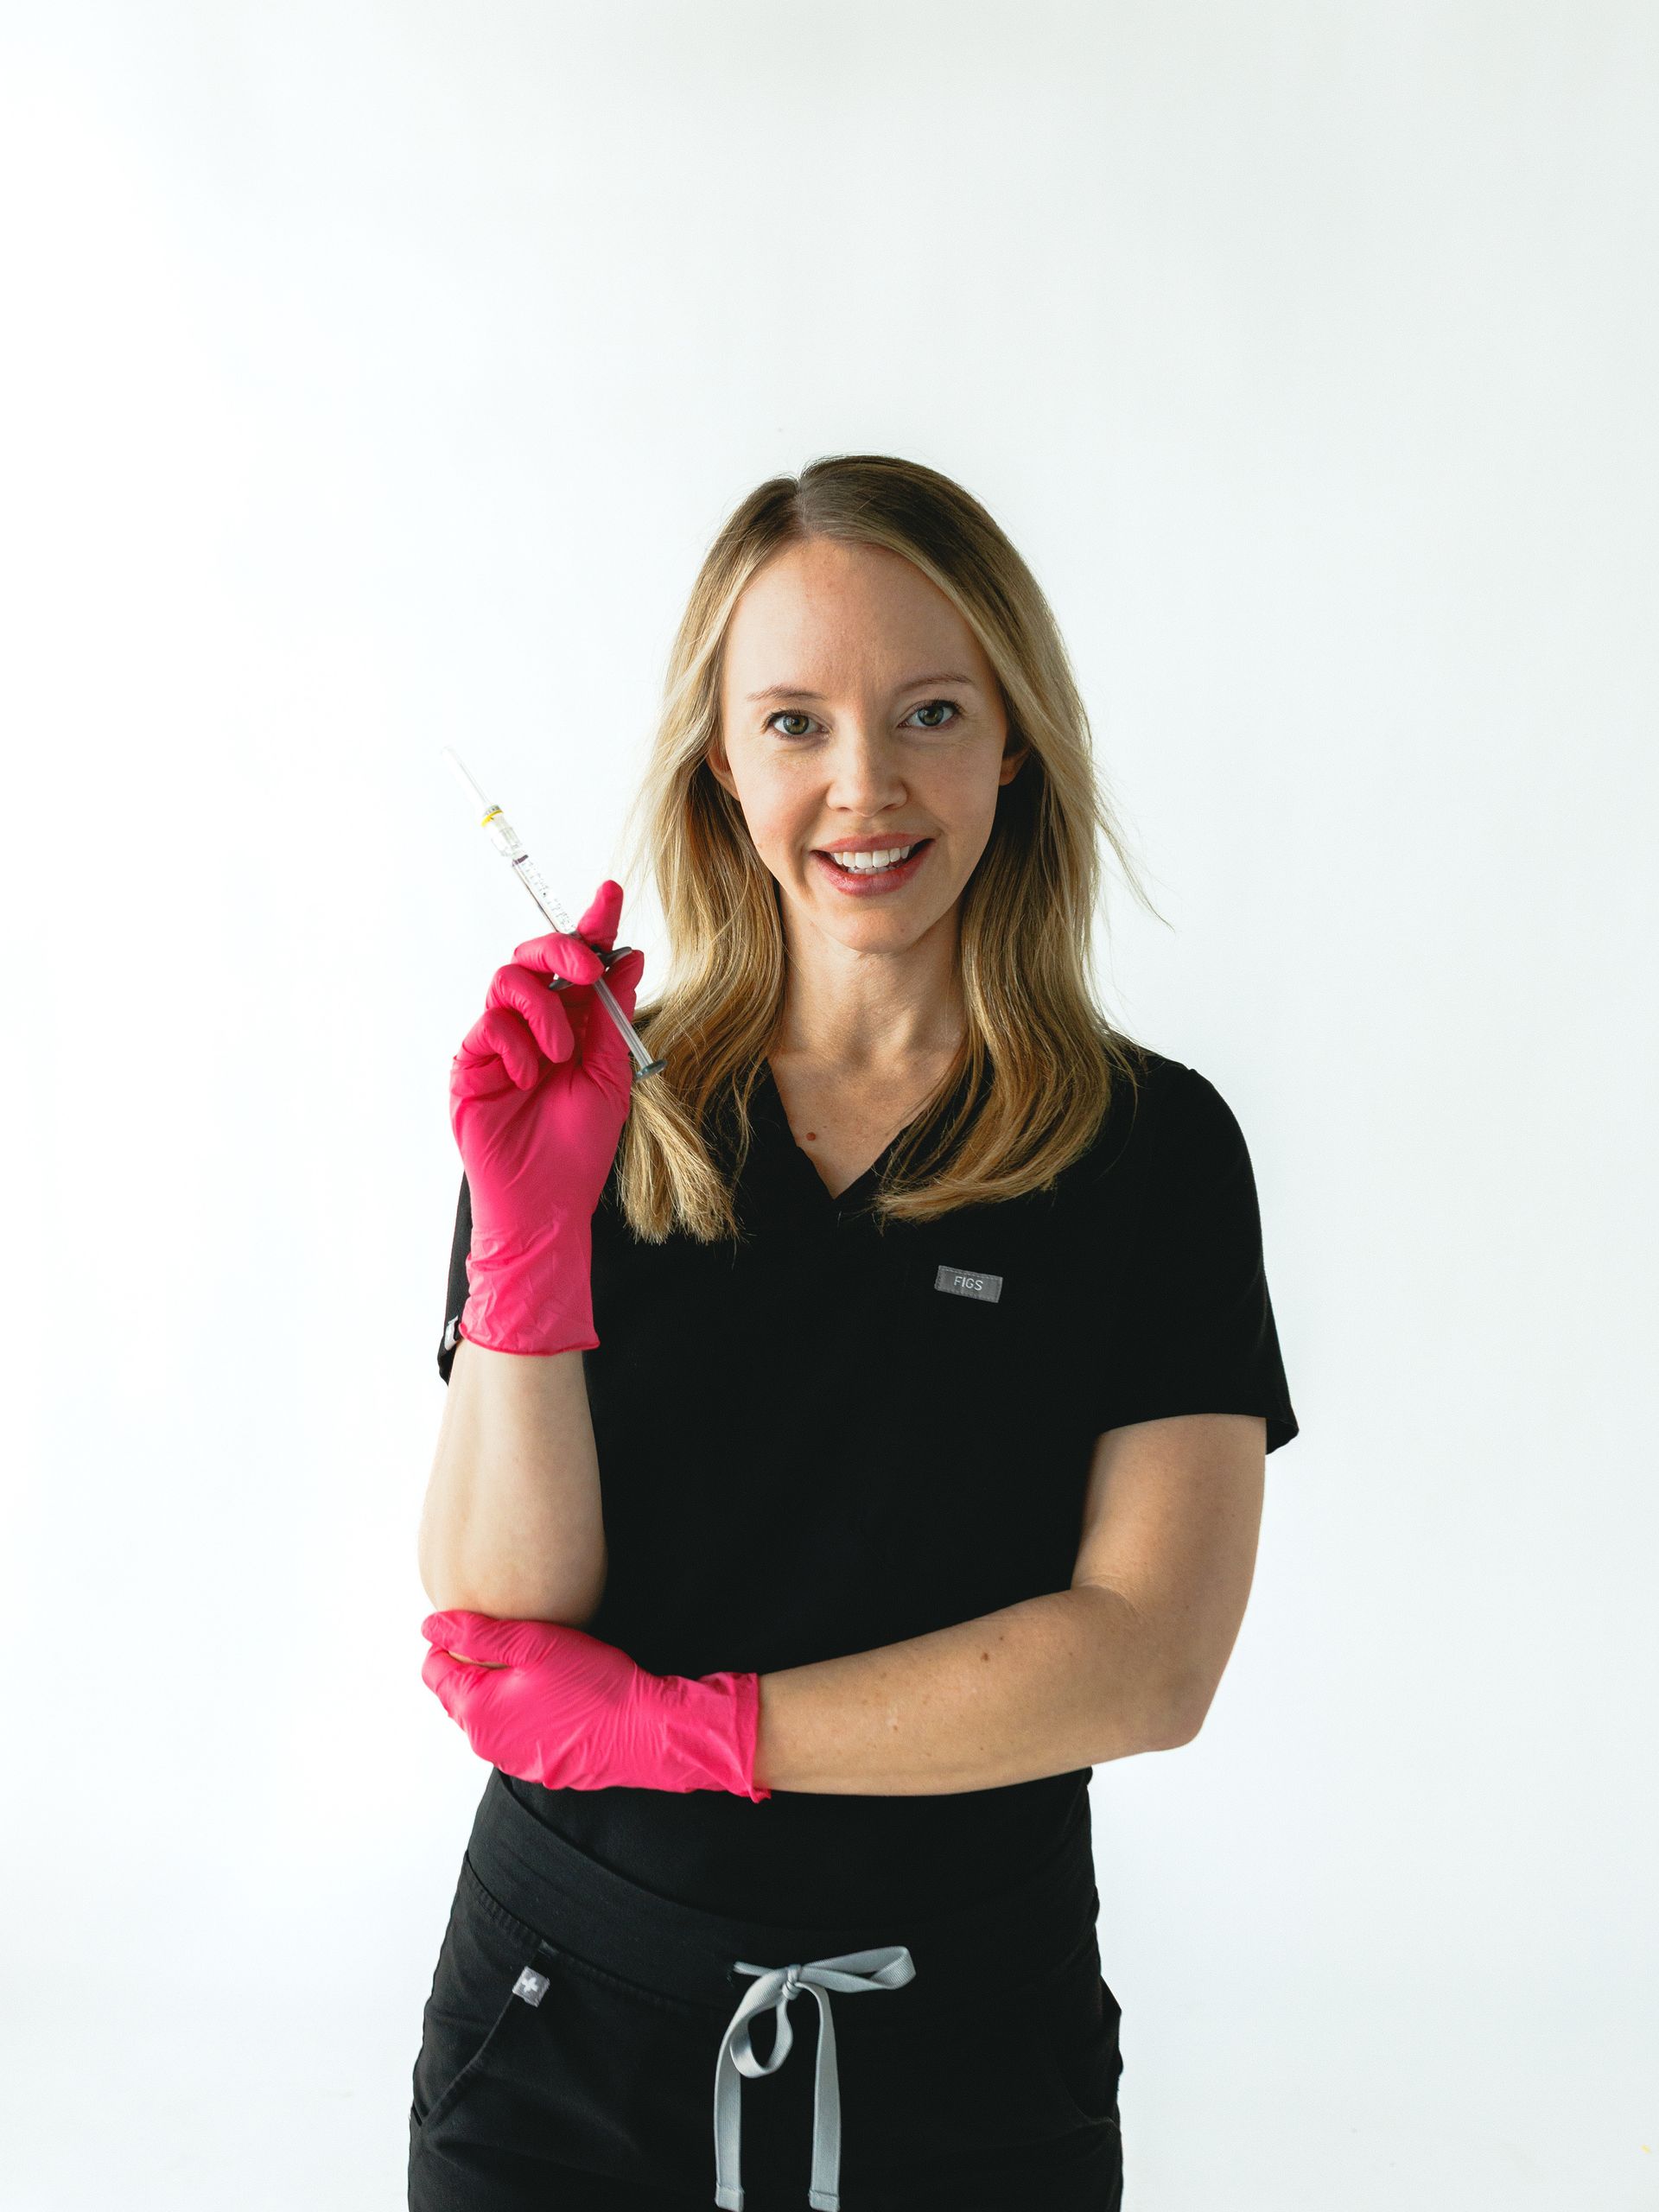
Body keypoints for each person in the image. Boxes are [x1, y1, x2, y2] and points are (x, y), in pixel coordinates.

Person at [407, 454, 1300, 2212]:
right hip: (561, 2040)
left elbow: (1148, 1662)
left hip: (968, 2056)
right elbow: (501, 1633)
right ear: (721, 761)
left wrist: (697, 1729)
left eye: (931, 712)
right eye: (796, 722)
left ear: (1015, 740)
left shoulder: (1154, 1152)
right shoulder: (594, 1106)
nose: (865, 785)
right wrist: (524, 1242)